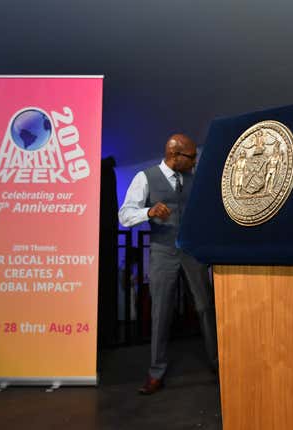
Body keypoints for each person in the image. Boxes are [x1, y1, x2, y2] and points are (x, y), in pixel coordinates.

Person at [118, 133, 218, 395]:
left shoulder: (195, 179)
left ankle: (218, 364)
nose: (195, 162)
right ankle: (156, 373)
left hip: (192, 252)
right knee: (161, 312)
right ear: (174, 156)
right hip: (162, 252)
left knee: (206, 307)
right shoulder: (145, 177)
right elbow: (125, 215)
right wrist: (148, 212)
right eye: (191, 157)